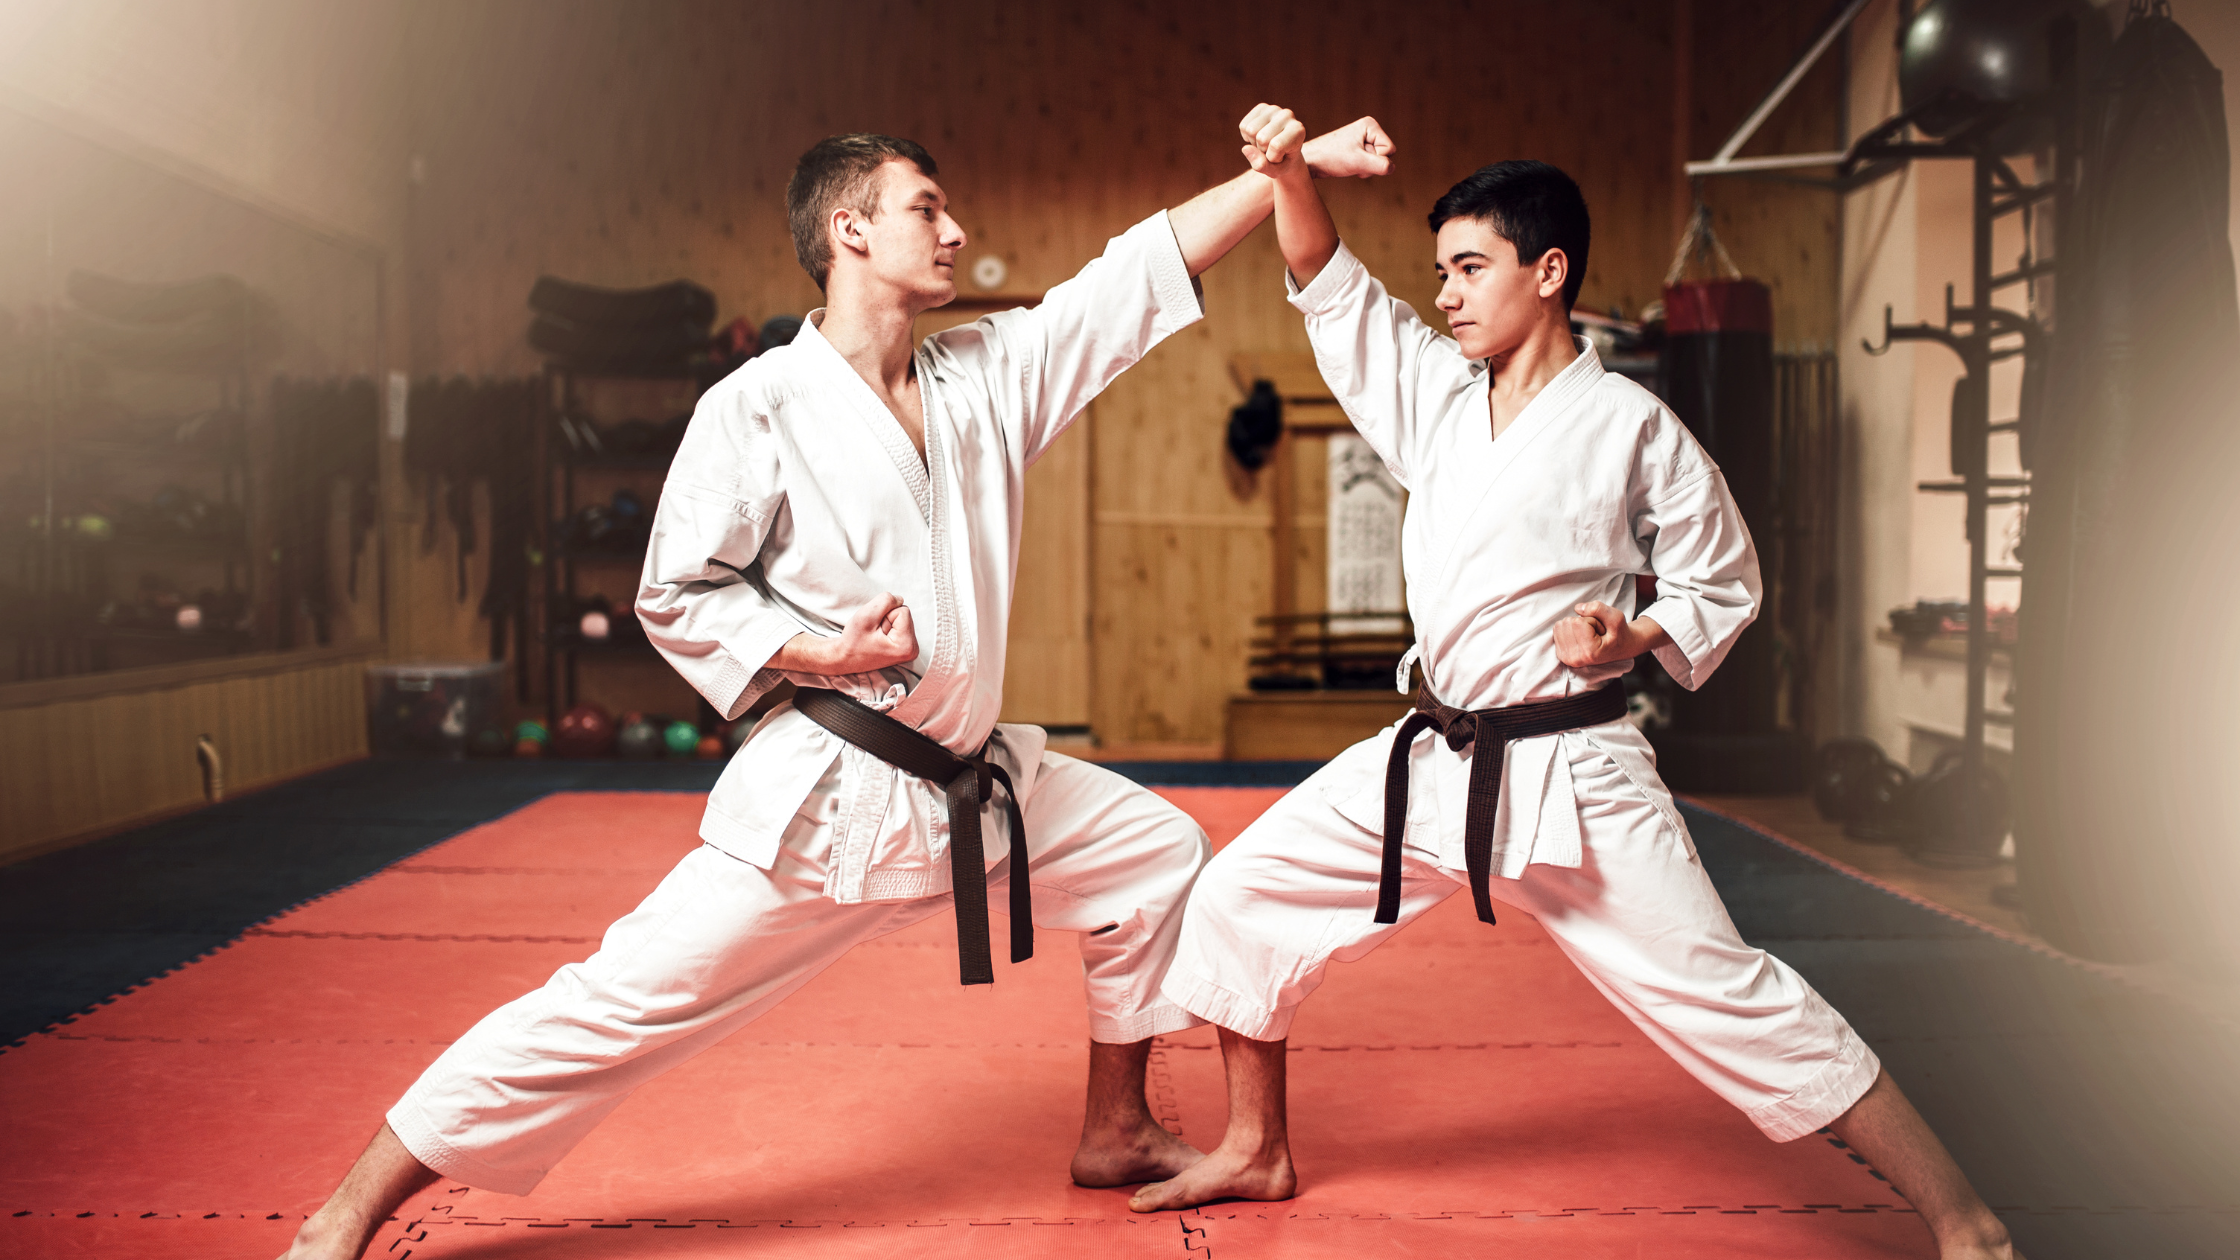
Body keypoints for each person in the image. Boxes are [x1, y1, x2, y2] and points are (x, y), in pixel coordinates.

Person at [277, 119, 1395, 1260]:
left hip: (976, 784)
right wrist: (817, 654)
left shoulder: (987, 376)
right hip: (830, 801)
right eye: (927, 208)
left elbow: (1133, 277)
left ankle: (1115, 1128)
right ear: (848, 229)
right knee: (616, 1005)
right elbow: (674, 593)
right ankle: (349, 1208)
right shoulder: (754, 408)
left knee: (1151, 855)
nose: (955, 230)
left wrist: (1276, 180)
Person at [1128, 106, 2021, 1260]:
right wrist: (1288, 171)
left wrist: (1633, 636)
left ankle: (1964, 1218)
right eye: (1437, 271)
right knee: (1240, 895)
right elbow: (1323, 276)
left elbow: (1722, 577)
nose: (1443, 293)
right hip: (1433, 756)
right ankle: (1255, 1146)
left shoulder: (1629, 426)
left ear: (1546, 271)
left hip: (1571, 772)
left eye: (1467, 267)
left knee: (1726, 997)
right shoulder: (1433, 401)